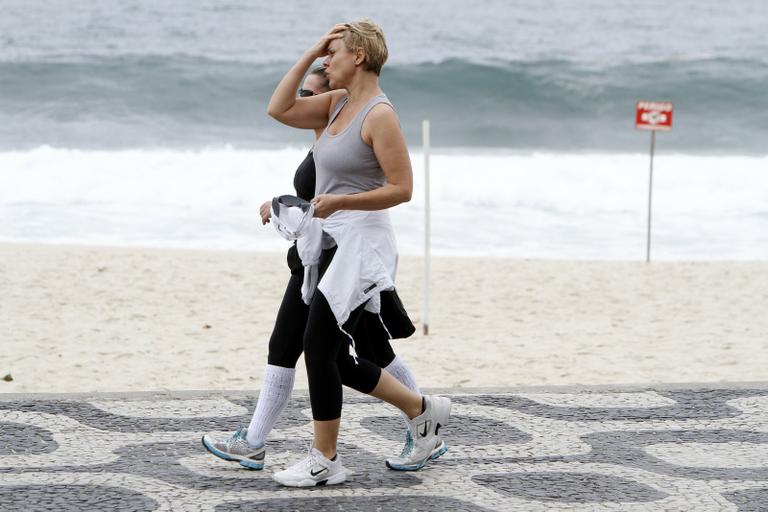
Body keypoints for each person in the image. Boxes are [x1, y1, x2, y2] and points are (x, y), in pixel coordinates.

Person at [200, 66, 424, 471]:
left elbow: (357, 194)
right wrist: (283, 203)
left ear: (333, 96)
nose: (303, 99)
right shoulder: (324, 140)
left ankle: (421, 418)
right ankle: (254, 441)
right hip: (314, 257)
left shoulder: (355, 127)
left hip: (347, 258)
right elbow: (316, 195)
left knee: (358, 354)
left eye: (311, 93)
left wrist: (297, 203)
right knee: (286, 345)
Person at [266, 19, 451, 487]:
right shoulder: (336, 104)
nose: (329, 61)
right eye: (325, 54)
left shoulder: (379, 115)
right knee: (331, 353)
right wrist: (311, 50)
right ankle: (421, 410)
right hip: (329, 241)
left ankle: (325, 457)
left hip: (363, 244)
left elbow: (402, 189)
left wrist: (343, 201)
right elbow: (279, 108)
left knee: (318, 347)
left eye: (335, 53)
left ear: (360, 57)